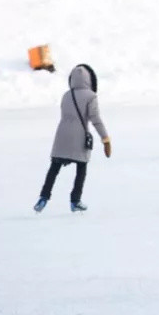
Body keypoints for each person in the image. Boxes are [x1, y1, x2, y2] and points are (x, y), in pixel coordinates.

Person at [33, 64, 111, 213]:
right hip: (79, 137)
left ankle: (43, 198)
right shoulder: (91, 96)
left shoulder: (66, 95)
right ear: (89, 80)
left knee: (54, 168)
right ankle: (75, 200)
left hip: (61, 136)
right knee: (81, 168)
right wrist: (105, 139)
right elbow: (95, 119)